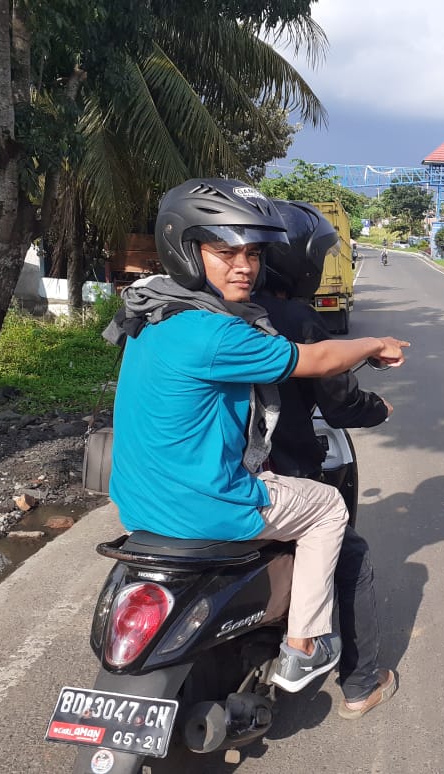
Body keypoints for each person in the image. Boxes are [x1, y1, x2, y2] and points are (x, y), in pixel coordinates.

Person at [103, 179, 409, 695]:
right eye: (225, 252)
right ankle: (306, 647)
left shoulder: (151, 314)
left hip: (138, 506)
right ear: (187, 249)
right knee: (330, 508)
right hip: (207, 506)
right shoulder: (222, 333)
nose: (243, 266)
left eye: (252, 253)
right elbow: (317, 364)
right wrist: (376, 343)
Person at [255, 200, 397, 718]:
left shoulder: (206, 319)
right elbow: (337, 398)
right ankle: (360, 685)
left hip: (176, 486)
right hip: (273, 477)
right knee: (351, 557)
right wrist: (376, 408)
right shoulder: (295, 318)